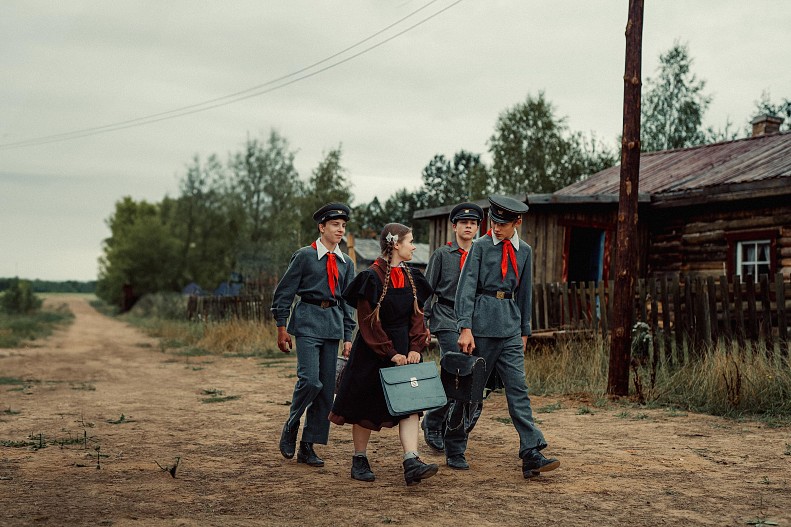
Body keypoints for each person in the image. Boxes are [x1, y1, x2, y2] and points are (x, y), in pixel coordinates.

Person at [455, 195, 560, 479]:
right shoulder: (480, 246)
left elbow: (525, 293)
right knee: (471, 391)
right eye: (494, 221)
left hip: (511, 327)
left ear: (518, 222)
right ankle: (454, 444)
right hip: (481, 327)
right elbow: (466, 288)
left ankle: (531, 452)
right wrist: (465, 327)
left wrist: (525, 331)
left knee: (518, 389)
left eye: (503, 224)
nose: (496, 228)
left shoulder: (524, 251)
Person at [329, 223, 438, 486]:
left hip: (405, 349)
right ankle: (359, 459)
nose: (414, 246)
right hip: (372, 350)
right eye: (410, 241)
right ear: (396, 245)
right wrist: (389, 352)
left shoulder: (413, 276)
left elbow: (418, 317)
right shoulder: (371, 277)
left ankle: (411, 461)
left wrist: (414, 348)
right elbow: (369, 322)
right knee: (364, 406)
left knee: (411, 405)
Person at [271, 203, 356, 468]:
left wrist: (348, 337)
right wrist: (281, 326)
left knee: (326, 390)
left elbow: (347, 303)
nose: (340, 230)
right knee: (310, 381)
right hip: (307, 322)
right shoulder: (305, 256)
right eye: (335, 225)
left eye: (343, 226)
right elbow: (284, 292)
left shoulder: (346, 263)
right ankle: (292, 423)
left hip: (332, 326)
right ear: (322, 227)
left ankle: (308, 446)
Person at [421, 202, 484, 470]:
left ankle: (437, 419)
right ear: (454, 226)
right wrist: (423, 321)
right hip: (446, 317)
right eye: (463, 223)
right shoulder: (442, 255)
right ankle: (435, 421)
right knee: (455, 370)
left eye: (473, 223)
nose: (468, 226)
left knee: (470, 376)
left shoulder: (481, 253)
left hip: (473, 321)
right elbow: (426, 289)